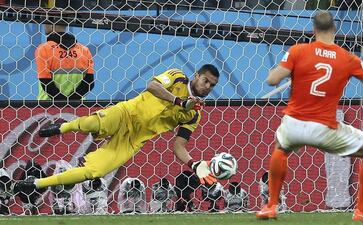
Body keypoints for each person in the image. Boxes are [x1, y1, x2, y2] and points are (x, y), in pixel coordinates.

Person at [255, 11, 363, 221]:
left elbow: (272, 80)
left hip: (294, 124)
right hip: (325, 128)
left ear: (313, 30)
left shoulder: (298, 51)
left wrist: (290, 70)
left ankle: (271, 206)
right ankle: (362, 210)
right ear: (334, 30)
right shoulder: (348, 58)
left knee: (281, 148)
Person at [14, 65, 219, 195]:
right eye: (205, 80)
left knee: (95, 171)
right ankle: (63, 127)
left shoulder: (195, 114)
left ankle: (37, 183)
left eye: (212, 85)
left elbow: (179, 146)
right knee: (93, 124)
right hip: (127, 113)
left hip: (134, 139)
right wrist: (179, 102)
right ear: (196, 76)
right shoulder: (178, 77)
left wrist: (194, 164)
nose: (208, 86)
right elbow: (152, 86)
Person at [35, 24, 94, 100]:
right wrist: (71, 102)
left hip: (48, 106)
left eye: (46, 22)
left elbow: (45, 80)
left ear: (51, 25)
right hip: (78, 107)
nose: (44, 25)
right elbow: (89, 82)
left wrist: (62, 103)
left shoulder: (44, 49)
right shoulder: (84, 50)